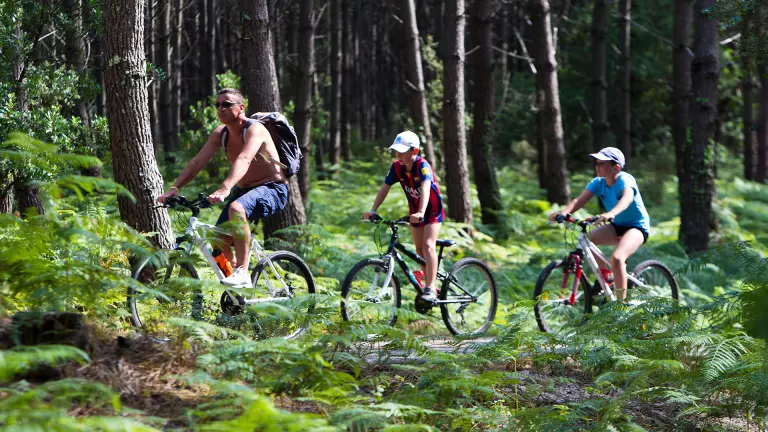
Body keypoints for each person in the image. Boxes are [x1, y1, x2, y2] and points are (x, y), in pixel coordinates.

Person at [157, 88, 288, 288]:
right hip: (245, 191)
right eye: (217, 105)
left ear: (241, 107)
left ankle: (242, 272)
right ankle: (237, 288)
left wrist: (225, 188)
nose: (220, 108)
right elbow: (197, 162)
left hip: (273, 188)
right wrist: (175, 187)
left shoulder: (255, 129)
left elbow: (244, 159)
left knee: (237, 208)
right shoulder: (221, 133)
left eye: (226, 104)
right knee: (217, 239)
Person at [549, 147, 650, 301]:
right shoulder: (598, 183)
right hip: (617, 226)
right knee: (588, 239)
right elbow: (579, 201)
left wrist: (610, 213)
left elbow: (627, 199)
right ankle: (605, 275)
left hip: (637, 227)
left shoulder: (625, 179)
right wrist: (563, 213)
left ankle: (621, 305)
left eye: (602, 163)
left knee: (617, 258)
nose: (597, 167)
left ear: (616, 167)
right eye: (597, 163)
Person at [363, 131, 445, 302]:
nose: (398, 155)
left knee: (428, 245)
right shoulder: (397, 167)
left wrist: (421, 212)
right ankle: (428, 284)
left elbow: (425, 188)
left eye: (401, 151)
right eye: (396, 151)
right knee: (419, 250)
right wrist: (373, 210)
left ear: (414, 151)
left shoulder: (422, 165)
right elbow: (385, 188)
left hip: (432, 210)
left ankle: (430, 287)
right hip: (415, 211)